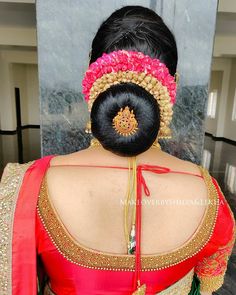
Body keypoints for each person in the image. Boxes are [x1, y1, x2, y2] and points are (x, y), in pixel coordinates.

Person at [0, 5, 235, 295]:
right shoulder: (208, 194)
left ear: (90, 77)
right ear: (173, 84)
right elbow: (207, 283)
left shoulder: (26, 187)